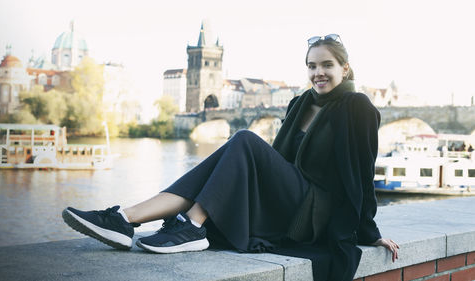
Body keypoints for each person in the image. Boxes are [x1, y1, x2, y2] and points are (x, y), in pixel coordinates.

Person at [62, 34, 398, 281]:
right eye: (312, 66)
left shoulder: (358, 107)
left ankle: (192, 226)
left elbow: (361, 172)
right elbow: (276, 160)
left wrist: (369, 232)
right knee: (227, 156)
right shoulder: (301, 103)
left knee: (244, 139)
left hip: (313, 211)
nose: (318, 73)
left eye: (327, 65)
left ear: (345, 68)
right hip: (285, 199)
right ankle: (125, 218)